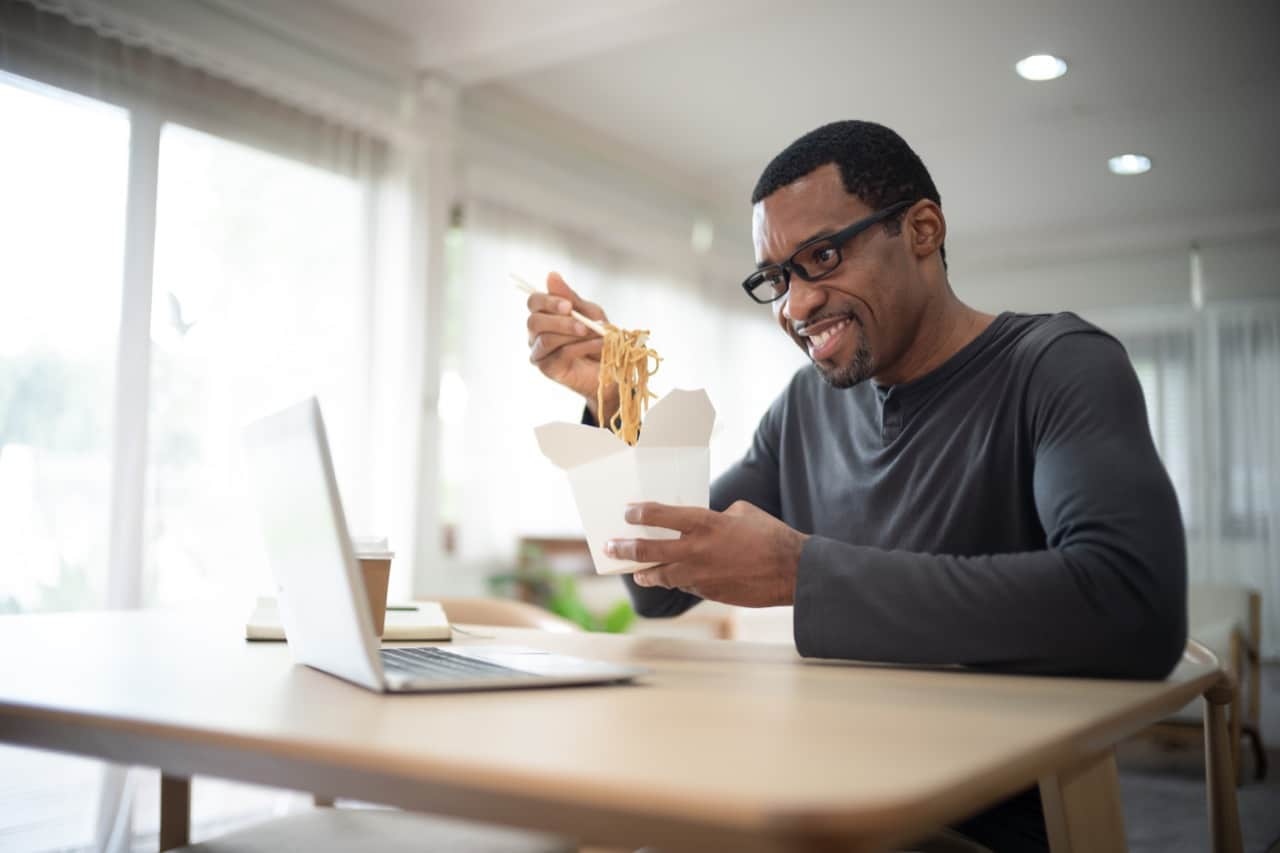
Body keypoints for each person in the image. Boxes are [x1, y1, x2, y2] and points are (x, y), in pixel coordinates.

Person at [524, 120, 1186, 851]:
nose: (797, 306)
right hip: (814, 783)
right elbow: (658, 583)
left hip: (979, 822)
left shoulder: (1058, 366)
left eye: (824, 256)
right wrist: (614, 398)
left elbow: (1133, 604)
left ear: (923, 229)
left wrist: (800, 571)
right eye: (778, 278)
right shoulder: (806, 408)